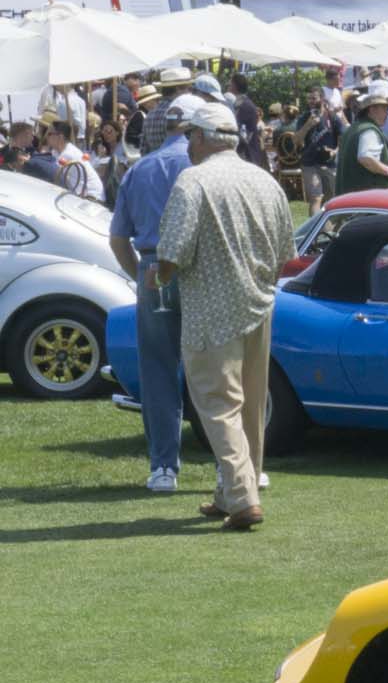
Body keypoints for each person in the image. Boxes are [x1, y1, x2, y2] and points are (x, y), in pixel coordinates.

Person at [151, 103, 293, 531]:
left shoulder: (193, 181)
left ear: (206, 137)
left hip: (212, 310)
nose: (188, 143)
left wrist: (159, 279)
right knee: (249, 406)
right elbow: (287, 251)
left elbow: (172, 250)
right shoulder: (264, 179)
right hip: (259, 304)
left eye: (191, 135)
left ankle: (242, 496)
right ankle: (229, 490)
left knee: (217, 403)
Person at [109, 99, 198, 494]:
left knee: (158, 370)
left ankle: (164, 467)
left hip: (151, 267)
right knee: (212, 369)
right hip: (197, 270)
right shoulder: (201, 167)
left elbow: (117, 239)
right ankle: (224, 467)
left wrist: (141, 275)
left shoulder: (140, 168)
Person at [334, 82, 388, 194]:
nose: (387, 113)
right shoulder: (369, 130)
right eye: (385, 109)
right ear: (372, 110)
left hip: (351, 197)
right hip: (366, 198)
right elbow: (366, 158)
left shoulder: (354, 128)